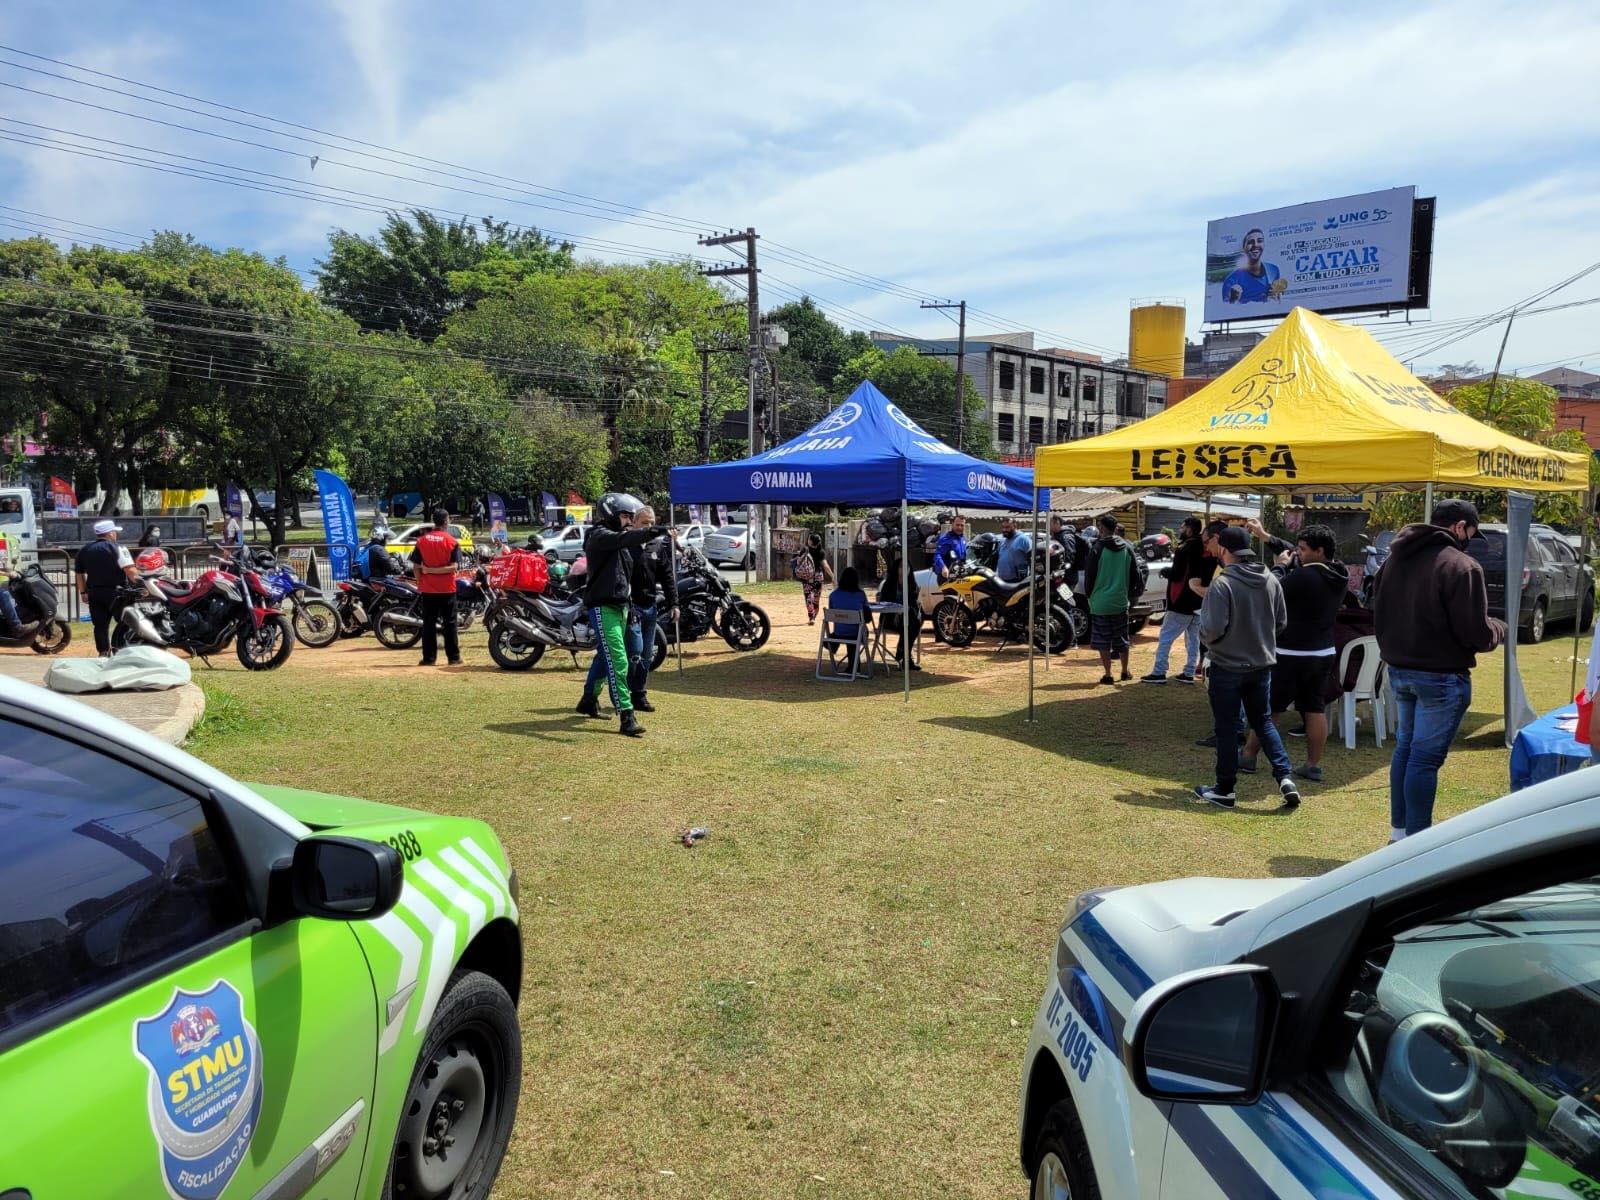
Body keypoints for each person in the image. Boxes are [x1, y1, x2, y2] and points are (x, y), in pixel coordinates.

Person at [1373, 499, 1505, 840]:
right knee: (1423, 759)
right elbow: (1474, 632)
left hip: (1399, 669)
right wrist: (1497, 629)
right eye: (1471, 534)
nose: (1470, 541)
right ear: (1460, 527)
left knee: (1406, 751)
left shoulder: (1393, 559)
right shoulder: (1462, 566)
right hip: (1441, 676)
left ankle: (1399, 832)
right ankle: (1416, 841)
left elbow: (1376, 608)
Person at [1194, 526, 1299, 810]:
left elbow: (1213, 628)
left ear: (1225, 550)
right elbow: (1281, 622)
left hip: (1227, 665)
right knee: (1263, 721)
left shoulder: (1222, 584)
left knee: (1227, 728)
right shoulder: (1270, 579)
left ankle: (1224, 789)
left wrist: (1207, 638)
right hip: (1261, 665)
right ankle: (1285, 777)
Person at [1241, 523, 1347, 783]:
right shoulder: (1339, 572)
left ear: (1319, 551)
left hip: (1290, 651)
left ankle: (1248, 755)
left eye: (1302, 549)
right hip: (1322, 651)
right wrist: (1267, 537)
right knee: (1314, 708)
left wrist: (1279, 565)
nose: (1297, 553)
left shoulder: (1302, 577)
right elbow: (1295, 554)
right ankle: (1312, 764)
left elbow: (1270, 589)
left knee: (1270, 709)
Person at [575, 493, 668, 736]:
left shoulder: (623, 544)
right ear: (611, 514)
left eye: (630, 516)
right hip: (603, 607)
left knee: (606, 657)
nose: (629, 520)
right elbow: (624, 538)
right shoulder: (599, 536)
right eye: (625, 515)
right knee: (619, 660)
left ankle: (588, 699)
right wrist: (655, 530)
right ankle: (627, 715)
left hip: (623, 607)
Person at [1082, 515, 1145, 684]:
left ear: (1101, 528)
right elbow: (1135, 573)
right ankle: (1125, 671)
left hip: (1100, 602)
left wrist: (1090, 595)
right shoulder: (1127, 547)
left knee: (1103, 640)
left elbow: (1090, 576)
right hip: (1120, 601)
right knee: (1122, 638)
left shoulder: (1097, 548)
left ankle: (1108, 674)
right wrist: (1130, 593)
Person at [1143, 517, 1206, 684]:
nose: (1180, 529)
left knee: (1165, 637)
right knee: (1193, 639)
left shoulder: (1184, 548)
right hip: (1199, 600)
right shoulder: (1204, 546)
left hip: (1181, 600)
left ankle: (1159, 671)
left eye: (1183, 527)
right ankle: (1189, 671)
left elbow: (1178, 574)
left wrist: (1166, 571)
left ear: (1190, 529)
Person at [626, 505, 676, 713]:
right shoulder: (626, 544)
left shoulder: (657, 546)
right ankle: (623, 692)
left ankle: (639, 695)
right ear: (635, 523)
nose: (649, 526)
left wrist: (674, 603)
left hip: (650, 607)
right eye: (645, 522)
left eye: (652, 523)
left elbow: (667, 577)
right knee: (634, 653)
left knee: (647, 654)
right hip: (631, 608)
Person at [75, 518, 141, 654]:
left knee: (100, 626)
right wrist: (142, 584)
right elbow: (130, 571)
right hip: (117, 593)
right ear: (110, 533)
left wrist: (83, 592)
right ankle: (120, 649)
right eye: (115, 532)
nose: (116, 535)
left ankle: (103, 652)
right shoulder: (119, 548)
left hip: (94, 593)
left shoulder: (84, 550)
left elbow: (79, 574)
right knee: (123, 623)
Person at [408, 508, 462, 668]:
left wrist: (422, 580)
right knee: (450, 624)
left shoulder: (421, 541)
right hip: (447, 588)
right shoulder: (452, 541)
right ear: (446, 521)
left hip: (428, 589)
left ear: (434, 521)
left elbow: (416, 566)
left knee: (428, 624)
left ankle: (429, 659)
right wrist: (435, 571)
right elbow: (453, 568)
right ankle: (454, 658)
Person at [876, 541, 922, 671]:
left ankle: (902, 654)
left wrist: (903, 611)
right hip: (889, 619)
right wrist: (896, 611)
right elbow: (884, 603)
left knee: (913, 619)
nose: (904, 569)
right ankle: (906, 658)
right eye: (901, 567)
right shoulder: (888, 584)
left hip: (907, 619)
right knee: (912, 623)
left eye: (907, 567)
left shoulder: (912, 585)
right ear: (896, 569)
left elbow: (913, 604)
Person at [1220, 227, 1288, 305]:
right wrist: (1233, 300)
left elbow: (1278, 302)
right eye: (1250, 242)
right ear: (1243, 248)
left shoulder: (1273, 270)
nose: (1255, 245)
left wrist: (1275, 301)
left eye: (1260, 241)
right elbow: (1226, 311)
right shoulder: (1231, 281)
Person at [825, 565, 871, 673]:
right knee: (857, 631)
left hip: (839, 632)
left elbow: (832, 612)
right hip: (856, 632)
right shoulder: (860, 594)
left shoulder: (833, 595)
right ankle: (854, 667)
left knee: (848, 630)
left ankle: (832, 643)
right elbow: (868, 618)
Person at [793, 531, 833, 624]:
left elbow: (799, 562)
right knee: (816, 598)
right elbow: (825, 565)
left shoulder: (805, 550)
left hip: (807, 576)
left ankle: (811, 617)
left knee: (808, 597)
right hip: (818, 576)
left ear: (811, 541)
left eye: (809, 538)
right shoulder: (821, 552)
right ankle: (814, 615)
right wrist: (832, 576)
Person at [996, 516, 1032, 583]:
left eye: (1007, 527)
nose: (1004, 530)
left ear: (1015, 526)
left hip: (1017, 581)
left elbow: (1033, 558)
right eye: (1003, 527)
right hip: (1002, 580)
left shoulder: (1023, 539)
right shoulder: (1003, 540)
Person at [1048, 516, 1081, 585]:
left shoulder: (1065, 537)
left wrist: (1065, 569)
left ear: (1057, 523)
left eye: (1050, 523)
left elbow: (1070, 555)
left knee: (1067, 595)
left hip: (1068, 574)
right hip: (1058, 573)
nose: (1049, 526)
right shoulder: (1056, 536)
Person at [934, 516, 967, 581]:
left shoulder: (962, 538)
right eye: (957, 525)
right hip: (946, 576)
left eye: (962, 525)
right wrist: (943, 567)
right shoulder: (946, 539)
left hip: (958, 574)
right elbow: (937, 555)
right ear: (952, 524)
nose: (959, 527)